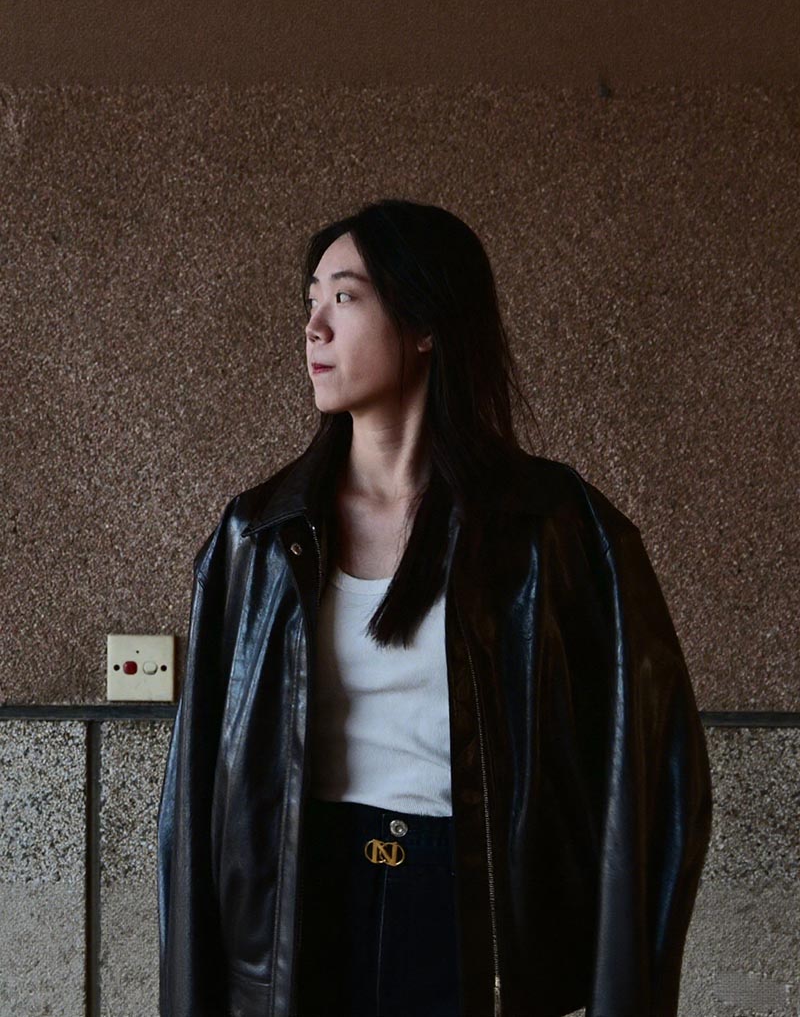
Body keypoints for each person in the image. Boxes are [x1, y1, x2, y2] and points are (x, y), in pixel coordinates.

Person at [157, 198, 713, 1017]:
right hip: (303, 918)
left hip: (474, 920)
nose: (313, 327)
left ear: (425, 324)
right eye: (310, 299)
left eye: (344, 297)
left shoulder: (554, 530)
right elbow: (194, 799)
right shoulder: (261, 536)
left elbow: (660, 774)